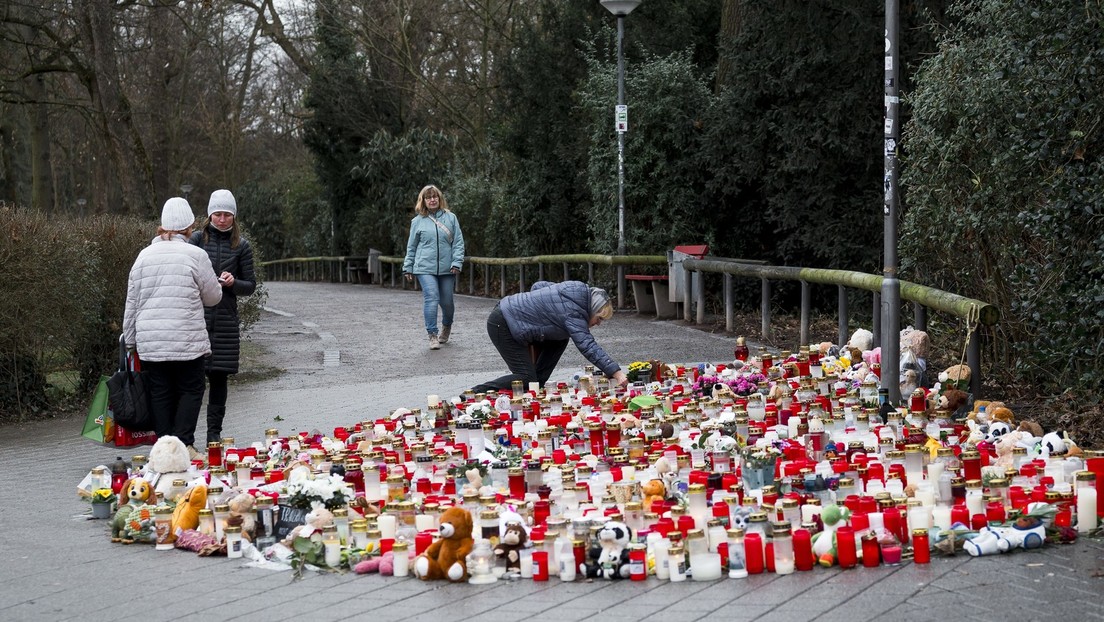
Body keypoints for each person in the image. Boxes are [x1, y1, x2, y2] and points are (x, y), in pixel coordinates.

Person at [123, 197, 222, 460]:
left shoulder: (143, 256)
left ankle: (163, 448)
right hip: (186, 340)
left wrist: (130, 340)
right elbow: (213, 297)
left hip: (152, 342)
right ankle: (184, 444)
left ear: (162, 226)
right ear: (190, 226)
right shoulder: (196, 255)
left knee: (160, 391)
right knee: (191, 389)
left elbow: (131, 302)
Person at [470, 280, 628, 394]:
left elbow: (538, 286)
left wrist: (534, 312)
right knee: (525, 377)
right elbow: (587, 345)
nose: (598, 323)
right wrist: (617, 373)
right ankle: (475, 392)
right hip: (502, 324)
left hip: (507, 315)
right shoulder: (574, 310)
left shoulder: (575, 293)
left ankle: (536, 386)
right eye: (599, 318)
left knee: (560, 338)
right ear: (592, 309)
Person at [190, 189, 256, 446]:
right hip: (197, 319)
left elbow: (250, 286)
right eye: (217, 214)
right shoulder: (196, 240)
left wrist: (233, 282)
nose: (221, 219)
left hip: (226, 321)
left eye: (227, 214)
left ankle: (213, 435)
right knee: (194, 381)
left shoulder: (242, 246)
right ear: (209, 215)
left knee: (219, 379)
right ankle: (186, 436)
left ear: (234, 217)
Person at [402, 184, 465, 350]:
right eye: (428, 197)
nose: (432, 199)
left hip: (447, 268)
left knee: (447, 302)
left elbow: (458, 242)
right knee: (432, 297)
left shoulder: (451, 218)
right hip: (424, 268)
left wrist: (457, 262)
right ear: (423, 201)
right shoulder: (417, 222)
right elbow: (412, 246)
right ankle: (432, 334)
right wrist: (408, 266)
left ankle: (447, 326)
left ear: (439, 198)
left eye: (434, 196)